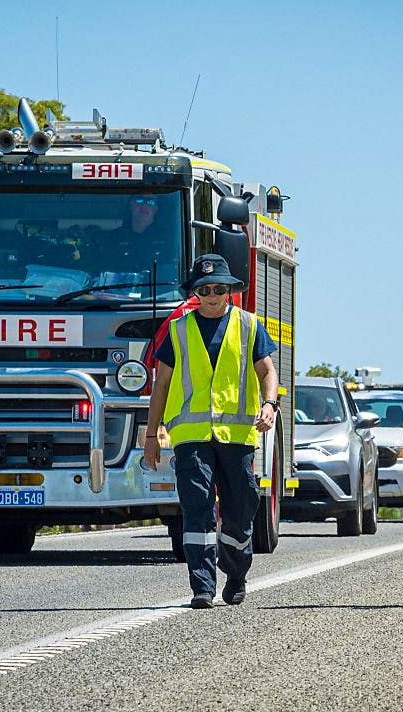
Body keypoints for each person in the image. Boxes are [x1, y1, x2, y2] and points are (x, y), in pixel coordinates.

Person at [143, 254, 279, 609]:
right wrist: (151, 435)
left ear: (230, 290)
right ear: (195, 293)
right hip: (191, 437)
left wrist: (270, 404)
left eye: (219, 288)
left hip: (237, 436)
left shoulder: (249, 325)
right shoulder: (178, 330)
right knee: (197, 506)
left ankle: (235, 572)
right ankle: (202, 586)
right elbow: (161, 385)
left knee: (240, 508)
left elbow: (267, 371)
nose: (213, 295)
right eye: (204, 290)